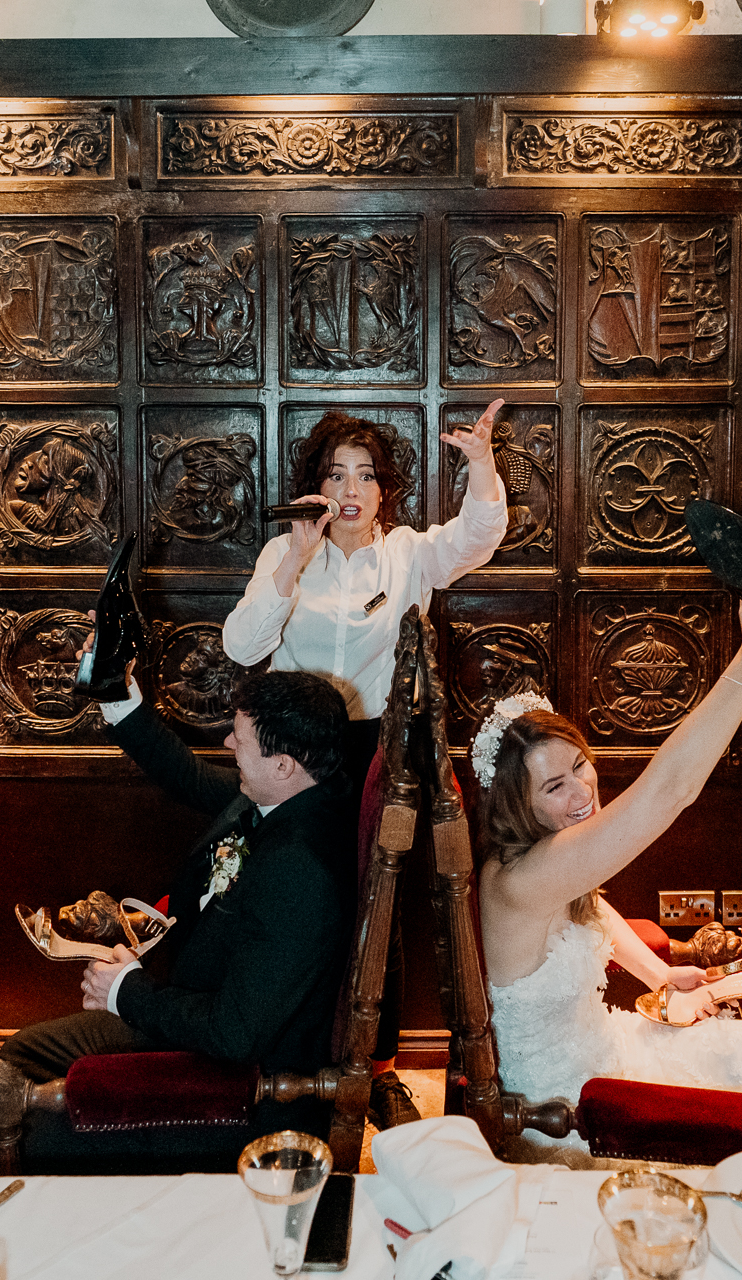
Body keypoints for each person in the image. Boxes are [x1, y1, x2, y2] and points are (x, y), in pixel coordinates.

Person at [475, 576, 742, 1166]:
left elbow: (592, 909)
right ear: (515, 805)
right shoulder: (520, 880)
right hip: (575, 1108)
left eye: (582, 766)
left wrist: (660, 973)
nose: (583, 790)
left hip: (607, 1046)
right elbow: (672, 790)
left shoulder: (549, 866)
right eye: (555, 786)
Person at [0, 664, 355, 1176]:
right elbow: (186, 775)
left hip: (243, 1091)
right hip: (198, 1014)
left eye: (237, 738)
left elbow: (235, 1034)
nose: (224, 744)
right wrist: (118, 696)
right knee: (24, 1051)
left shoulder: (299, 869)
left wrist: (124, 992)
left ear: (283, 764)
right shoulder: (291, 796)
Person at [221, 402, 508, 1127]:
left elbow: (478, 536)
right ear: (316, 486)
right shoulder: (287, 553)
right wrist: (292, 556)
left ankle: (375, 1070)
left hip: (380, 749)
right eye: (335, 474)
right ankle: (295, 1055)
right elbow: (243, 646)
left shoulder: (407, 552)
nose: (351, 489)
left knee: (376, 906)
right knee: (299, 900)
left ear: (384, 492)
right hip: (295, 756)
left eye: (365, 476)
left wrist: (479, 462)